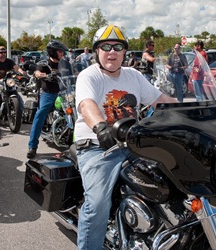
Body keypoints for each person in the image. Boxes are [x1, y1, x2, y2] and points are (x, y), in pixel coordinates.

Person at [74, 24, 177, 250]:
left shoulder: (134, 76)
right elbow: (87, 105)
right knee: (97, 203)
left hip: (133, 144)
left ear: (124, 52)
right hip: (97, 146)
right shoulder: (89, 75)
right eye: (106, 46)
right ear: (97, 51)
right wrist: (101, 127)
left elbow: (159, 100)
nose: (112, 51)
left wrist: (197, 112)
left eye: (117, 46)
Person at [26, 40, 69, 159]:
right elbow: (37, 73)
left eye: (63, 51)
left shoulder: (65, 63)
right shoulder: (45, 64)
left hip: (65, 93)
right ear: (53, 52)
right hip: (49, 94)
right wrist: (44, 75)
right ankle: (32, 146)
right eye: (60, 51)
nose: (62, 53)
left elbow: (74, 73)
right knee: (40, 114)